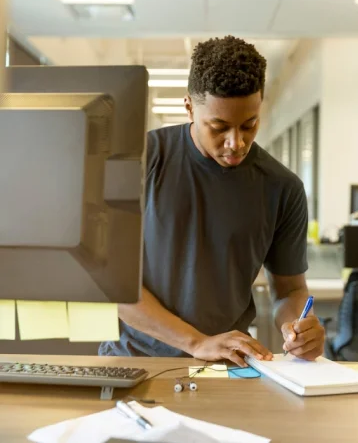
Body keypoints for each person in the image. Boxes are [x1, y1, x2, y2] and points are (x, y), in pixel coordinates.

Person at [99, 35, 325, 366]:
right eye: (219, 127)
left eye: (249, 125)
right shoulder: (140, 161)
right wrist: (195, 342)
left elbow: (290, 291)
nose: (236, 142)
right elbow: (111, 282)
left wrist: (299, 328)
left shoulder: (282, 187)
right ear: (189, 106)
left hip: (226, 365)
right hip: (135, 361)